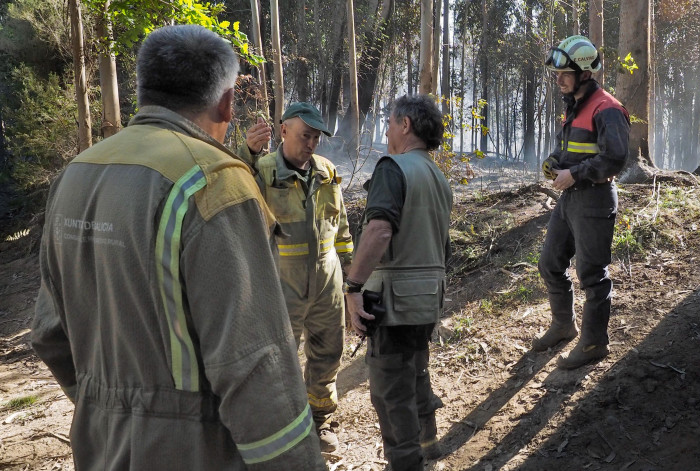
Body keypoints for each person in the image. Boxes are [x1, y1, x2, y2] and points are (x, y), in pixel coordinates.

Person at [30, 25, 324, 469]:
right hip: (193, 451)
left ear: (144, 89)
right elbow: (255, 364)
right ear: (226, 102)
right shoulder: (214, 181)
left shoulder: (77, 173)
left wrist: (110, 406)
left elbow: (49, 334)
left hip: (99, 445)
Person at [238, 102, 353, 453]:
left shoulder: (327, 172)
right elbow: (232, 192)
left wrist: (352, 281)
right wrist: (246, 152)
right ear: (283, 130)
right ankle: (280, 428)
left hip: (327, 287)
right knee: (277, 359)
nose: (312, 143)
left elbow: (342, 229)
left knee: (328, 354)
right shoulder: (261, 169)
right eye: (305, 135)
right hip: (279, 287)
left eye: (317, 137)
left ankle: (320, 422)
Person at [345, 95, 451, 471]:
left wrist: (353, 287)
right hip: (426, 301)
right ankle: (430, 444)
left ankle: (406, 464)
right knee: (416, 372)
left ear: (405, 125)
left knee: (392, 394)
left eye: (390, 123)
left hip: (395, 303)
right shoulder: (437, 176)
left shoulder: (394, 168)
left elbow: (378, 231)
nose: (387, 130)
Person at [532, 35, 630, 369]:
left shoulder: (608, 109)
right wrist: (555, 161)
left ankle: (593, 344)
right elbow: (571, 149)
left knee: (592, 274)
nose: (558, 79)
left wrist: (574, 174)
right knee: (549, 263)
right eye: (557, 73)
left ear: (585, 73)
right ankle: (563, 325)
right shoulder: (575, 106)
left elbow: (616, 158)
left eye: (565, 73)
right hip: (571, 199)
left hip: (595, 198)